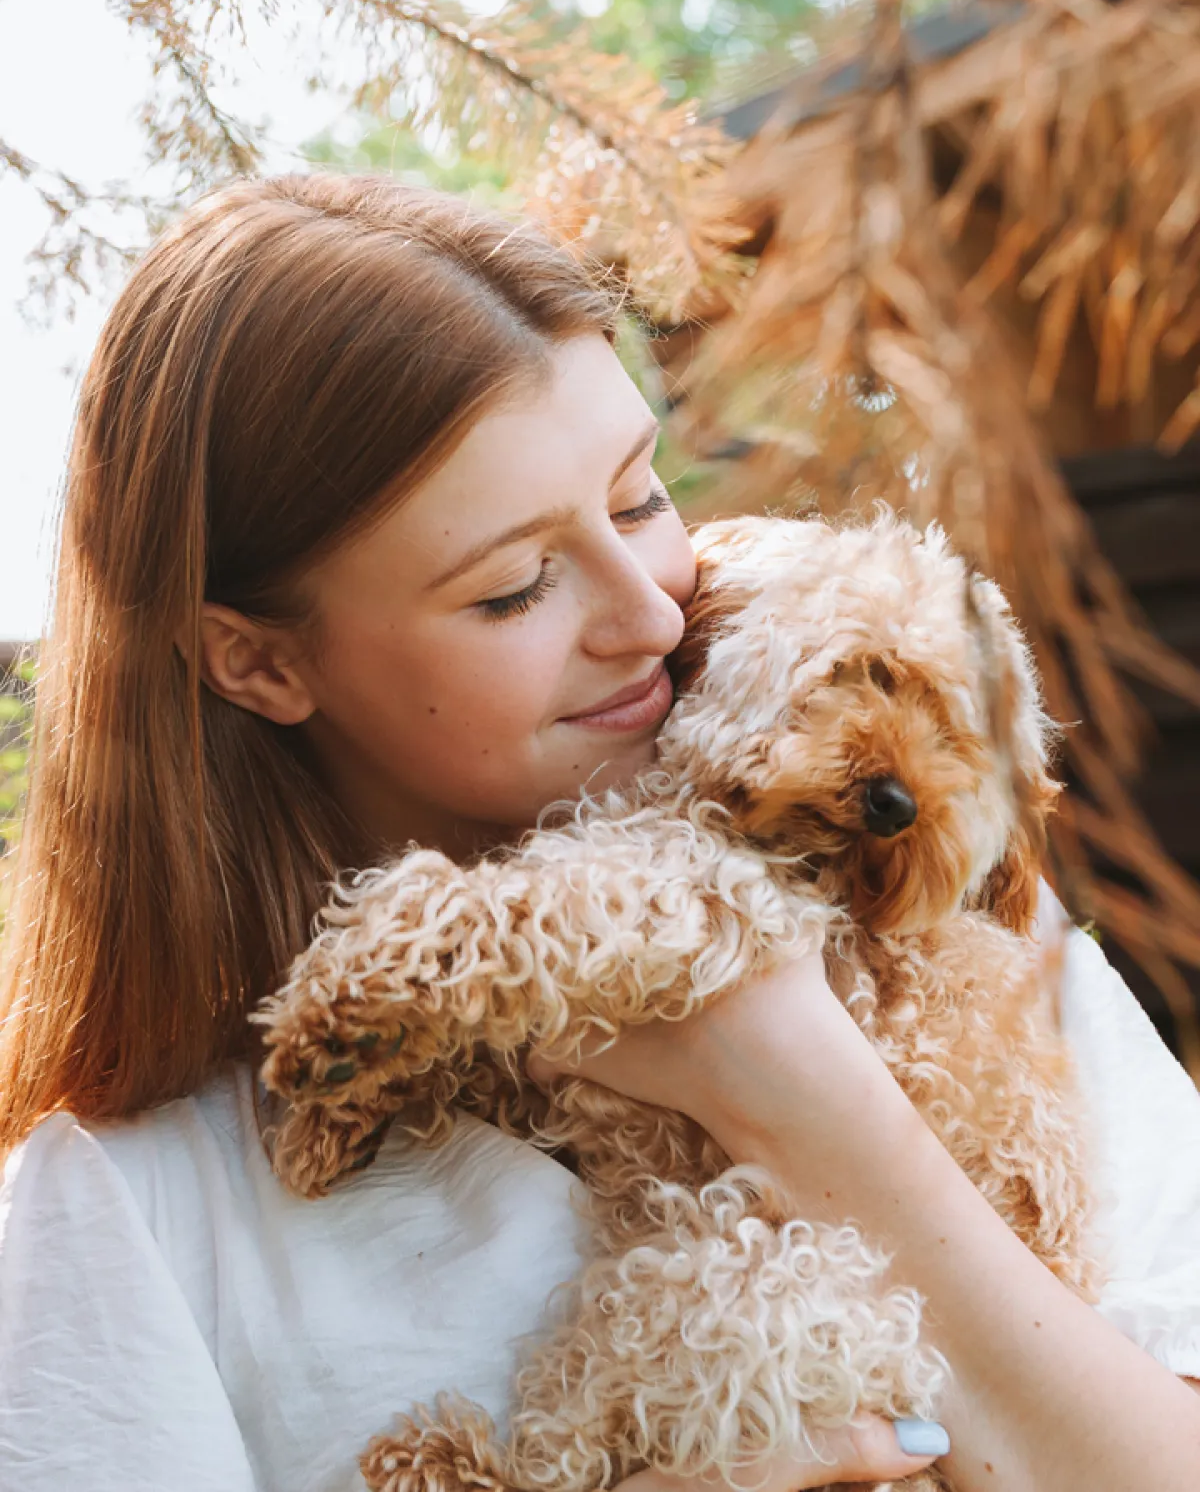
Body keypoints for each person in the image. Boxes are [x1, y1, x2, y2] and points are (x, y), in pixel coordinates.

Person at [0, 176, 1197, 1492]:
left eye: (640, 500)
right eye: (515, 587)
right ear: (258, 664)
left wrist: (820, 1108)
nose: (652, 614)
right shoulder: (139, 1215)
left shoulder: (987, 951)